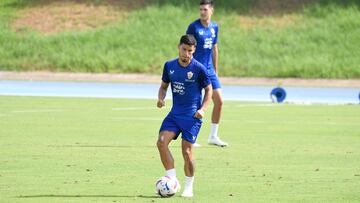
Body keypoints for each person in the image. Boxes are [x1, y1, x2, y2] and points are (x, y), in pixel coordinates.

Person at [156, 34, 213, 198]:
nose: (186, 54)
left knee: (187, 152)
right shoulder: (169, 66)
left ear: (194, 51)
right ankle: (172, 179)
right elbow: (163, 86)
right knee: (161, 142)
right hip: (174, 115)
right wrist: (161, 98)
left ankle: (189, 187)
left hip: (192, 117)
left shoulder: (198, 68)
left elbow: (208, 90)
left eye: (190, 51)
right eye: (184, 50)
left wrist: (203, 109)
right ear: (178, 47)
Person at [186, 0, 228, 147]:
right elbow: (186, 48)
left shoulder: (214, 27)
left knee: (219, 101)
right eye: (201, 10)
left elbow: (214, 48)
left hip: (210, 70)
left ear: (211, 10)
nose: (202, 12)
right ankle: (191, 137)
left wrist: (215, 70)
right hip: (196, 70)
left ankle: (213, 136)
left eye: (205, 9)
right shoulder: (194, 27)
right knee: (196, 104)